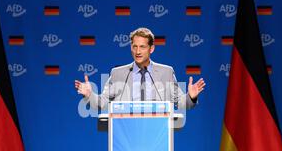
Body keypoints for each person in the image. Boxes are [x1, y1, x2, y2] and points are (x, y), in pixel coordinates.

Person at [75, 27, 205, 110]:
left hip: (158, 133)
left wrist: (191, 97)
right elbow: (102, 103)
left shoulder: (166, 72)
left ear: (151, 49)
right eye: (134, 46)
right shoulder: (118, 74)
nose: (138, 51)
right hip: (126, 133)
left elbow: (181, 103)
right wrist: (89, 95)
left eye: (142, 47)